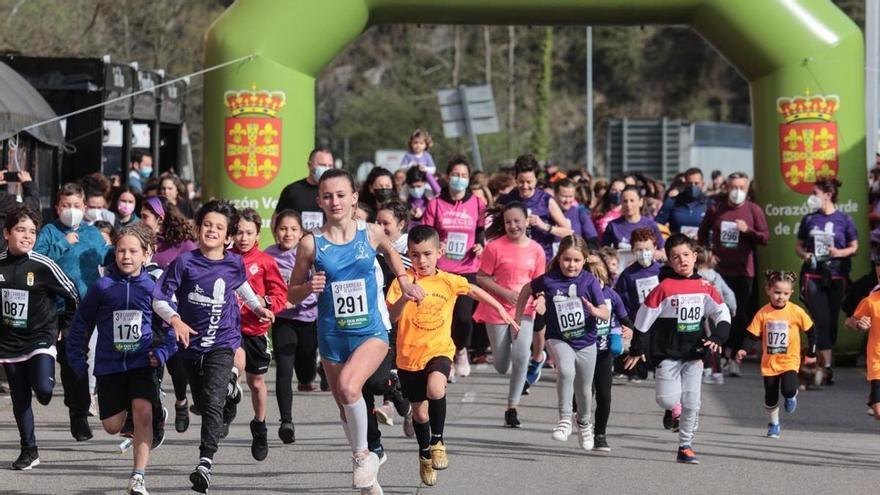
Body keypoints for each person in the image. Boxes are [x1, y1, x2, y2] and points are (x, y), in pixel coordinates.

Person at [287, 169, 425, 492]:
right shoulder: (311, 243)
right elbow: (290, 293)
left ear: (353, 198)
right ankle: (368, 477)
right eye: (327, 196)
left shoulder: (371, 233)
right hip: (333, 335)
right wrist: (308, 287)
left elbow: (392, 252)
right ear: (319, 200)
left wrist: (404, 280)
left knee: (351, 389)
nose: (334, 201)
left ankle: (364, 455)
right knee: (344, 406)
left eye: (340, 195)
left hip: (370, 331)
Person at [152, 199, 274, 493]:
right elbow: (159, 298)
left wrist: (258, 308)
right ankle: (230, 398)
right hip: (190, 346)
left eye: (219, 227)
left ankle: (205, 462)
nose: (212, 230)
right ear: (197, 227)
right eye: (207, 224)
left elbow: (241, 285)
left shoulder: (233, 262)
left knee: (213, 400)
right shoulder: (185, 263)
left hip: (224, 342)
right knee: (207, 402)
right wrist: (176, 320)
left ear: (228, 236)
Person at [387, 225, 517, 486]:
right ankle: (425, 455)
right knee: (420, 415)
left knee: (436, 389)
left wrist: (501, 310)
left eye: (426, 254)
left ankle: (438, 441)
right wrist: (406, 297)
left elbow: (473, 290)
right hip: (408, 357)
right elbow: (393, 315)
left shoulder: (447, 280)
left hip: (439, 350)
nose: (421, 261)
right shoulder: (402, 281)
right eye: (414, 255)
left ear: (439, 252)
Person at [67, 224, 178, 494]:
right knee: (111, 426)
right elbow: (81, 325)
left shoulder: (153, 288)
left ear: (146, 254)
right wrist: (76, 361)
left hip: (143, 362)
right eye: (120, 251)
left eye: (132, 251)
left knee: (143, 413)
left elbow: (173, 328)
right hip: (110, 366)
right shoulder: (103, 287)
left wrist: (162, 353)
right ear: (114, 253)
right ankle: (138, 410)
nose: (126, 257)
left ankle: (138, 476)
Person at [625, 233, 731, 464]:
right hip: (666, 352)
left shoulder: (706, 286)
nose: (682, 260)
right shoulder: (664, 288)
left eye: (685, 255)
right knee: (667, 399)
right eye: (675, 257)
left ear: (694, 257)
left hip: (694, 352)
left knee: (693, 401)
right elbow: (643, 320)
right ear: (669, 261)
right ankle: (672, 409)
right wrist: (637, 348)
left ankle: (685, 446)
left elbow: (721, 313)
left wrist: (719, 336)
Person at [0, 205, 79, 470]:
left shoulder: (42, 265)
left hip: (41, 337)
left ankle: (43, 385)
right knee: (20, 397)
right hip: (9, 343)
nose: (26, 236)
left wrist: (64, 328)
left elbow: (73, 293)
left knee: (44, 391)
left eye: (32, 231)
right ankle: (29, 450)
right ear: (6, 233)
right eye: (20, 230)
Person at [515, 235, 610, 450]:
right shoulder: (549, 279)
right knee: (566, 371)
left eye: (576, 260)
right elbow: (526, 290)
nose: (571, 265)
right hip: (558, 338)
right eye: (567, 259)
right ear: (559, 259)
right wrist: (518, 317)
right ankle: (565, 419)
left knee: (585, 389)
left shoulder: (589, 281)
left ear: (584, 261)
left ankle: (585, 424)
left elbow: (604, 312)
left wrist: (594, 311)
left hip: (586, 341)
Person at [35, 182, 112, 442]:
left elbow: (108, 257)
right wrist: (63, 244)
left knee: (74, 357)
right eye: (66, 205)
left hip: (80, 307)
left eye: (76, 206)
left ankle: (78, 414)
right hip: (47, 305)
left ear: (85, 207)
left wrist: (126, 250)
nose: (71, 210)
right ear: (57, 207)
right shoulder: (49, 231)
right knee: (46, 355)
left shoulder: (92, 235)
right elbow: (36, 261)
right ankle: (42, 386)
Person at [498, 154, 573, 386]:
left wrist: (543, 225)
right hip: (513, 262)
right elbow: (494, 225)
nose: (525, 186)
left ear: (536, 180)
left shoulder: (545, 199)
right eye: (521, 181)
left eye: (529, 181)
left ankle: (537, 357)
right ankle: (520, 353)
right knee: (518, 311)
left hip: (542, 262)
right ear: (515, 179)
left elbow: (567, 230)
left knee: (539, 316)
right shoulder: (507, 199)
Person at [474, 202, 545, 427]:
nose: (513, 226)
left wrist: (541, 298)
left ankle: (512, 407)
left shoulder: (536, 249)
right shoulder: (494, 247)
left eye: (517, 221)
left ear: (526, 221)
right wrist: (505, 293)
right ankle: (514, 368)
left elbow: (540, 282)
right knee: (502, 365)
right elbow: (481, 277)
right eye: (508, 222)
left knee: (522, 354)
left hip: (524, 310)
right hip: (496, 308)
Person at [698, 171, 769, 378]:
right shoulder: (716, 209)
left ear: (747, 190)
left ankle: (733, 357)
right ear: (726, 188)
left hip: (743, 271)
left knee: (739, 314)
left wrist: (748, 231)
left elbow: (765, 237)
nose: (737, 192)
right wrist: (706, 253)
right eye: (733, 187)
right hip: (718, 271)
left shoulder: (753, 210)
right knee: (717, 312)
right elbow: (703, 232)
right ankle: (717, 354)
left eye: (741, 188)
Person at [422, 155, 487, 381]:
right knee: (443, 316)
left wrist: (480, 244)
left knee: (463, 318)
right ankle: (445, 359)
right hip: (442, 268)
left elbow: (481, 230)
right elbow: (426, 234)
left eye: (464, 176)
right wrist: (437, 244)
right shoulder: (435, 204)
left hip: (468, 267)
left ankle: (460, 350)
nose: (459, 179)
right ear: (447, 177)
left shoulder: (477, 203)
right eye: (455, 175)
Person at [231, 208, 288, 461]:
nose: (243, 237)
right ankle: (225, 405)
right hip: (229, 329)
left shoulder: (265, 261)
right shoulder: (224, 259)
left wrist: (268, 307)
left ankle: (260, 426)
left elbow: (280, 295)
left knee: (256, 383)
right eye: (239, 232)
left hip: (256, 330)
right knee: (232, 369)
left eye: (248, 233)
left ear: (257, 235)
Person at [735, 270, 815, 438]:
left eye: (786, 293)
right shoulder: (763, 313)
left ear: (791, 293)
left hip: (790, 360)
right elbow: (752, 335)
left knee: (788, 388)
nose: (781, 297)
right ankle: (774, 424)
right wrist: (743, 349)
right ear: (768, 291)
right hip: (770, 362)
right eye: (777, 292)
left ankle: (792, 395)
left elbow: (811, 331)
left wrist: (811, 352)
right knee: (770, 396)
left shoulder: (796, 311)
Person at [794, 178, 858, 385]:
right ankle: (826, 366)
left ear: (828, 195)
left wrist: (839, 252)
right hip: (813, 275)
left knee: (830, 321)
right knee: (821, 318)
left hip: (836, 275)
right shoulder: (809, 219)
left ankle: (822, 362)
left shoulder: (844, 220)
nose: (811, 197)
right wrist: (804, 255)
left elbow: (854, 247)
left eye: (815, 193)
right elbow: (799, 246)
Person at [265, 210, 319, 443]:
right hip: (283, 320)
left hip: (308, 318)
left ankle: (310, 374)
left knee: (305, 372)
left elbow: (321, 284)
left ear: (301, 232)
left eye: (293, 229)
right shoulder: (269, 256)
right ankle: (286, 421)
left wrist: (299, 296)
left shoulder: (308, 253)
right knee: (284, 369)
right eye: (283, 229)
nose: (288, 233)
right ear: (275, 231)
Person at [589, 249, 631, 451]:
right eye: (590, 277)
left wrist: (629, 331)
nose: (595, 282)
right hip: (583, 352)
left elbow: (625, 319)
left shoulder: (612, 296)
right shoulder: (579, 295)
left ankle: (600, 434)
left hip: (604, 353)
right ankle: (578, 415)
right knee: (583, 393)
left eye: (599, 276)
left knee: (604, 395)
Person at [614, 227, 662, 385]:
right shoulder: (627, 275)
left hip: (661, 321)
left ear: (655, 248)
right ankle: (634, 370)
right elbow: (621, 302)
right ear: (633, 251)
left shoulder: (662, 272)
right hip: (638, 321)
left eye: (647, 249)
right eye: (639, 250)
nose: (644, 253)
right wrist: (627, 323)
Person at [695, 246, 737, 385]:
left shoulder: (694, 275)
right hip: (717, 313)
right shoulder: (716, 276)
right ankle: (717, 373)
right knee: (714, 342)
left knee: (706, 342)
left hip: (701, 314)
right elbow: (729, 293)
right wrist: (732, 307)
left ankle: (708, 370)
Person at [602, 185, 665, 268]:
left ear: (640, 202)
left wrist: (655, 253)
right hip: (622, 272)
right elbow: (604, 252)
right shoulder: (613, 226)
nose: (628, 204)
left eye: (632, 200)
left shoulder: (650, 224)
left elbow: (662, 251)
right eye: (625, 201)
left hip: (645, 272)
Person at [275, 148, 335, 232]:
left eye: (330, 165)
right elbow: (276, 220)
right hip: (298, 244)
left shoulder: (336, 193)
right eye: (322, 165)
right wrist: (281, 245)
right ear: (309, 165)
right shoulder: (292, 190)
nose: (326, 169)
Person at [847, 284, 880, 420]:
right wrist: (859, 323)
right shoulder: (871, 301)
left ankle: (873, 398)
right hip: (878, 360)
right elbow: (849, 322)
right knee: (879, 412)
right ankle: (874, 400)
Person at [140, 196, 198, 270]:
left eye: (145, 217)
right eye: (141, 216)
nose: (140, 222)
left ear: (160, 219)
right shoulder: (141, 241)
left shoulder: (185, 245)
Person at [656, 167, 709, 238]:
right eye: (689, 183)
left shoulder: (709, 204)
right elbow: (658, 226)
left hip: (701, 247)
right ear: (685, 183)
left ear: (702, 184)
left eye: (696, 183)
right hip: (677, 247)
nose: (693, 186)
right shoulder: (672, 202)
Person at [554, 178, 599, 249]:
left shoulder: (580, 213)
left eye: (570, 196)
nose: (567, 200)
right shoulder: (547, 213)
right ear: (555, 195)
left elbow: (592, 241)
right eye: (564, 196)